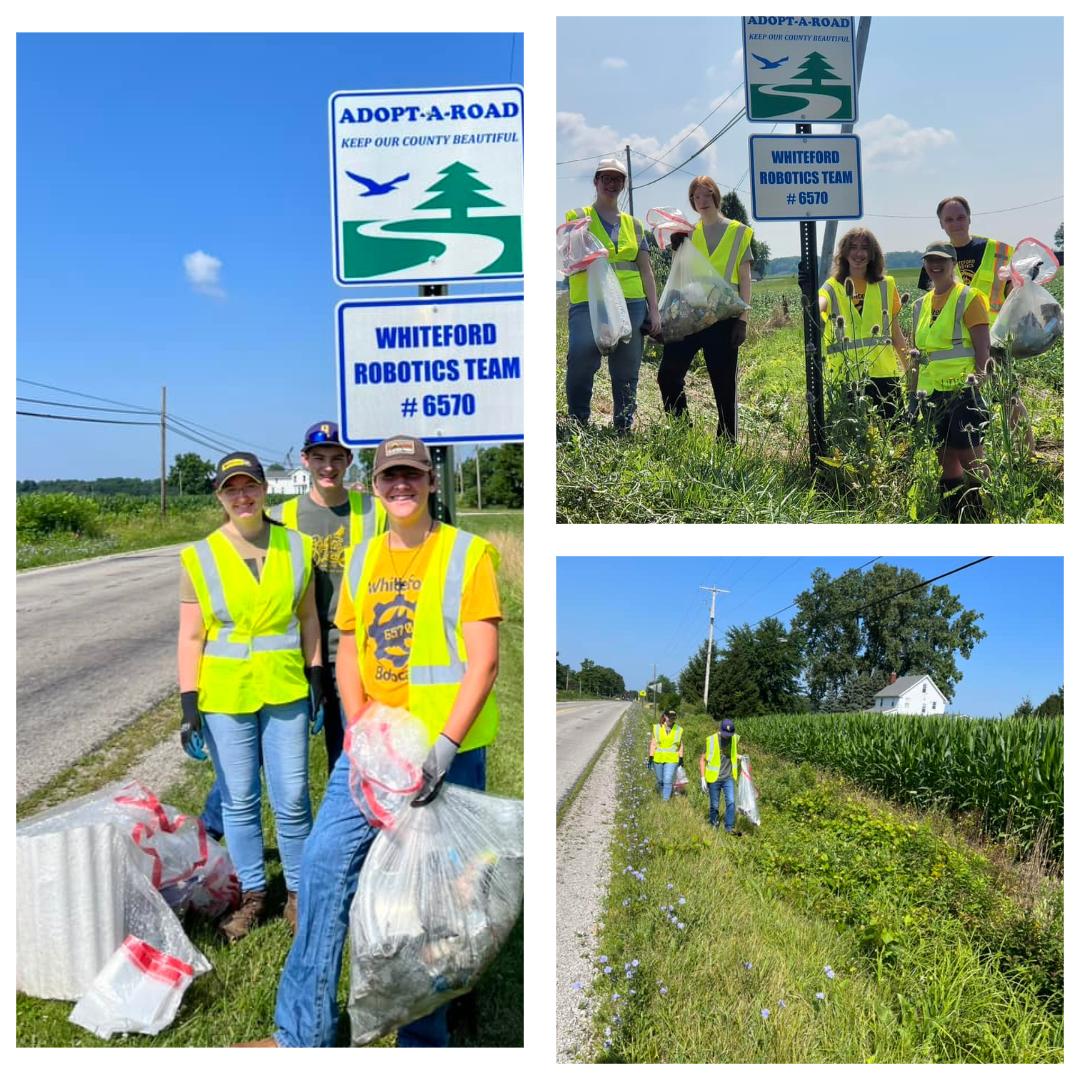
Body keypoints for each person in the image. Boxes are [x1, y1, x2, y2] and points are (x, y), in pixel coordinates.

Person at [261, 434, 502, 1048]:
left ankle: (425, 1035)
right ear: (373, 484)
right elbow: (348, 646)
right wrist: (360, 719)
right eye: (390, 476)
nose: (402, 486)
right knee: (321, 867)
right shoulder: (365, 557)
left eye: (413, 476)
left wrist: (444, 747)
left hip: (446, 756)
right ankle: (304, 1034)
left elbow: (483, 664)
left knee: (434, 901)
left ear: (430, 483)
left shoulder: (467, 555)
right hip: (373, 751)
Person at [178, 452, 320, 941]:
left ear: (264, 489)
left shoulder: (297, 547)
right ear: (220, 496)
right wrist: (188, 703)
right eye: (231, 489)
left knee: (293, 797)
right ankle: (253, 894)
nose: (243, 496)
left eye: (250, 486)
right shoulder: (200, 556)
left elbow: (307, 619)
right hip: (225, 693)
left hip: (285, 687)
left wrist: (316, 676)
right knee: (239, 800)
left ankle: (300, 892)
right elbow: (192, 637)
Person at [918, 195, 1034, 454]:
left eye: (960, 217)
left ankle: (1026, 453)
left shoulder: (996, 251)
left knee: (1008, 397)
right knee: (965, 407)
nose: (956, 223)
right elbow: (929, 304)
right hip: (955, 350)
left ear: (969, 218)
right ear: (941, 224)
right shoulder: (936, 256)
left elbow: (1015, 291)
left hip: (992, 340)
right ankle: (983, 455)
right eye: (949, 219)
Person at [564, 156, 660, 432]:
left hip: (630, 303)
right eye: (605, 178)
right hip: (589, 302)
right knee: (582, 359)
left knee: (627, 369)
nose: (611, 183)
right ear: (596, 182)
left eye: (617, 179)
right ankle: (579, 422)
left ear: (624, 184)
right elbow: (567, 258)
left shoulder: (634, 225)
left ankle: (623, 425)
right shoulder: (578, 217)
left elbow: (646, 270)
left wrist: (654, 310)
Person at [657, 175, 753, 439]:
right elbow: (679, 275)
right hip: (690, 317)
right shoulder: (688, 233)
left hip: (723, 319)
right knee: (668, 375)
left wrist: (743, 319)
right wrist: (676, 249)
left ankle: (727, 444)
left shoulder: (737, 231)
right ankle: (681, 432)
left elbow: (745, 278)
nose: (702, 201)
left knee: (724, 388)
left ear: (716, 196)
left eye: (706, 194)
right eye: (696, 197)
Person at [910, 241, 992, 522]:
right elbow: (917, 353)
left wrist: (980, 380)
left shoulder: (969, 297)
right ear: (924, 265)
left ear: (953, 264)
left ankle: (982, 509)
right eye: (930, 260)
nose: (935, 265)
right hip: (931, 392)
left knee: (971, 455)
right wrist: (912, 390)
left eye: (942, 260)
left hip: (963, 389)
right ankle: (953, 508)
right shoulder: (920, 305)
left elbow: (983, 346)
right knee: (944, 453)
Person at [818, 227, 908, 419]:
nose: (859, 254)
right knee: (850, 442)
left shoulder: (886, 285)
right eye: (853, 247)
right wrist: (810, 295)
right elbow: (819, 306)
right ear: (844, 252)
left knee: (894, 437)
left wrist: (910, 370)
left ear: (872, 253)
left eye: (865, 248)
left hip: (884, 375)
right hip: (845, 377)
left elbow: (896, 334)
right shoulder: (832, 286)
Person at [698, 718, 740, 832]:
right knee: (714, 805)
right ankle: (714, 825)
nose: (728, 736)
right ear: (720, 730)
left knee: (731, 802)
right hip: (714, 778)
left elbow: (732, 754)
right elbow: (702, 759)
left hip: (729, 777)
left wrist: (740, 757)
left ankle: (729, 827)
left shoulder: (734, 739)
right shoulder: (711, 740)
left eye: (730, 734)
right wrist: (702, 778)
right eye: (725, 734)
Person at [648, 710, 683, 801]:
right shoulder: (657, 728)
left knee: (667, 779)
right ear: (665, 716)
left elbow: (680, 744)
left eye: (673, 717)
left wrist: (681, 757)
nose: (672, 719)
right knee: (660, 780)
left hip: (672, 759)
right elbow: (653, 743)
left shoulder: (678, 729)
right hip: (658, 758)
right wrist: (651, 757)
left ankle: (665, 800)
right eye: (670, 717)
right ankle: (661, 792)